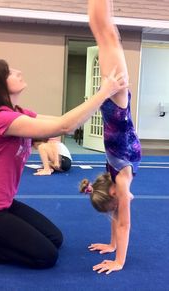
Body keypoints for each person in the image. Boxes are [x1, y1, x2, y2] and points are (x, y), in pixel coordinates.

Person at [0, 58, 127, 269]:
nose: (17, 71)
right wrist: (103, 93)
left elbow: (66, 122)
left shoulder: (18, 113)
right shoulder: (0, 119)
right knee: (46, 257)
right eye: (9, 72)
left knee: (55, 238)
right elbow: (64, 127)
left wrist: (109, 106)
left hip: (3, 205)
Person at [79, 0, 142, 274]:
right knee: (106, 34)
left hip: (112, 108)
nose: (114, 212)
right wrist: (119, 262)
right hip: (118, 104)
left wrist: (112, 246)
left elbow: (117, 220)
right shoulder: (122, 186)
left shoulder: (115, 182)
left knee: (100, 30)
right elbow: (124, 222)